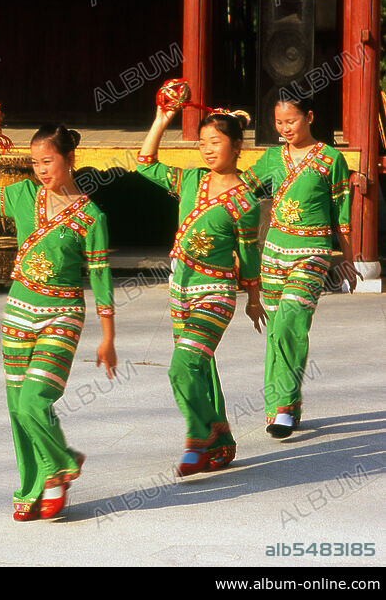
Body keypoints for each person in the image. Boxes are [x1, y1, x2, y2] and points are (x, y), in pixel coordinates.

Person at [0, 123, 117, 520]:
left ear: (69, 160)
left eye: (48, 161)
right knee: (17, 405)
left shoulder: (93, 217)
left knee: (33, 400)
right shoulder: (22, 194)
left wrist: (108, 339)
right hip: (18, 313)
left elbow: (101, 278)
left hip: (63, 315)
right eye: (35, 162)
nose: (41, 170)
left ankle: (59, 466)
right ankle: (33, 487)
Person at [136, 105, 266, 477]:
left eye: (216, 141)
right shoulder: (192, 180)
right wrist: (161, 118)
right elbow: (145, 164)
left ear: (237, 144)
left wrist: (253, 299)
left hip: (216, 293)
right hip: (181, 289)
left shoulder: (245, 202)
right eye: (202, 143)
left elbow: (248, 255)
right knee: (200, 367)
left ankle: (199, 435)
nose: (207, 150)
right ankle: (222, 443)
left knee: (183, 366)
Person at [241, 96, 361, 439]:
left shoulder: (330, 159)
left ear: (309, 116)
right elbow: (242, 191)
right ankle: (280, 406)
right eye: (279, 123)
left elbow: (342, 213)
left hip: (313, 252)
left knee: (293, 318)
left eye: (291, 121)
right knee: (277, 328)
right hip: (274, 251)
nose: (285, 129)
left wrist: (348, 259)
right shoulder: (271, 157)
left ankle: (284, 405)